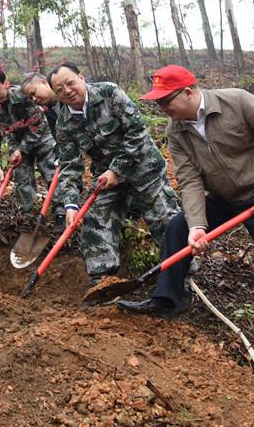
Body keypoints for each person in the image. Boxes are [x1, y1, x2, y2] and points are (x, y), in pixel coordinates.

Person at [118, 65, 254, 357]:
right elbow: (189, 180)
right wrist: (197, 225)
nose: (162, 108)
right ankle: (168, 300)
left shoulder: (236, 101)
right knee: (178, 227)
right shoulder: (176, 132)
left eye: (165, 101)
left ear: (187, 92)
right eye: (157, 103)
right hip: (224, 198)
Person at [49, 62, 179, 287]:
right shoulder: (63, 123)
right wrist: (70, 205)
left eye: (70, 83)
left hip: (144, 168)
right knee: (94, 220)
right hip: (107, 179)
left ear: (81, 77)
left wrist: (117, 169)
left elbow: (138, 131)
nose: (67, 91)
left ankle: (179, 280)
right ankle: (104, 282)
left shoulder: (109, 93)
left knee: (165, 221)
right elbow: (70, 165)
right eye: (59, 90)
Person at [0, 70, 62, 223]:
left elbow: (38, 124)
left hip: (41, 137)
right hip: (16, 143)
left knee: (51, 170)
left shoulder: (24, 95)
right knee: (21, 177)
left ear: (5, 83)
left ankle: (60, 212)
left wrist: (22, 148)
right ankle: (27, 216)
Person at [20, 71, 60, 140]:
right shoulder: (48, 111)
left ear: (44, 82)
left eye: (33, 93)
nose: (34, 99)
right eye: (30, 98)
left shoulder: (67, 97)